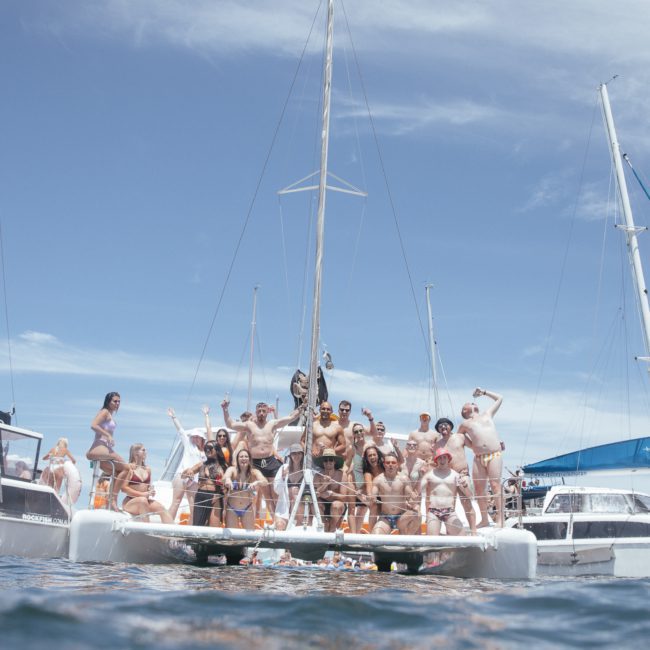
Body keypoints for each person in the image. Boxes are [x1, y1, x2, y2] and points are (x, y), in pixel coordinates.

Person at [221, 398, 301, 517]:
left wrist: (302, 406)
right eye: (259, 411)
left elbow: (290, 417)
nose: (261, 413)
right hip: (256, 462)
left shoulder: (272, 423)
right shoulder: (249, 425)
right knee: (266, 495)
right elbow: (231, 424)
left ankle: (280, 519)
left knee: (275, 493)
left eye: (264, 411)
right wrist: (225, 409)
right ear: (256, 412)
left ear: (267, 412)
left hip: (270, 461)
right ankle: (274, 519)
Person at [457, 387, 505, 527]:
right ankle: (484, 519)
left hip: (494, 454)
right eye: (468, 404)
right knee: (478, 489)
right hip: (478, 457)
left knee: (495, 485)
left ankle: (500, 518)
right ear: (464, 411)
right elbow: (459, 439)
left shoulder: (487, 414)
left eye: (472, 403)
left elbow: (500, 398)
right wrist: (474, 446)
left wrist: (484, 392)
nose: (472, 403)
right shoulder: (464, 424)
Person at [431, 417, 477, 533]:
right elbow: (434, 461)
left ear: (450, 426)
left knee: (467, 502)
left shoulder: (460, 437)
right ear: (438, 430)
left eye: (445, 425)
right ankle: (449, 532)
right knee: (449, 506)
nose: (443, 427)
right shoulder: (437, 445)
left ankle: (473, 530)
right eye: (440, 426)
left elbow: (475, 447)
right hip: (447, 477)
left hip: (462, 474)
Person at [87, 392, 128, 511]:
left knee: (118, 472)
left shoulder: (110, 415)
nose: (117, 403)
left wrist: (109, 438)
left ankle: (108, 501)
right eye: (115, 401)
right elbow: (93, 425)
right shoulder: (104, 412)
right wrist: (107, 435)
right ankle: (113, 500)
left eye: (119, 401)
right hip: (99, 447)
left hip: (105, 447)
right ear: (108, 401)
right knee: (126, 468)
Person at [167, 407, 206, 522]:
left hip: (195, 480)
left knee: (193, 506)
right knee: (176, 502)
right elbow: (181, 431)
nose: (194, 438)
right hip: (182, 476)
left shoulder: (206, 452)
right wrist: (174, 417)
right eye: (193, 437)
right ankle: (167, 527)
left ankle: (190, 530)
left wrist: (206, 416)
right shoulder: (189, 445)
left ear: (202, 438)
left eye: (197, 437)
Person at [421, 447, 472, 536]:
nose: (442, 460)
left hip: (449, 511)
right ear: (436, 460)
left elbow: (470, 496)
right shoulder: (429, 475)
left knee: (462, 537)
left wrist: (465, 485)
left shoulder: (456, 475)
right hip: (433, 511)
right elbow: (418, 490)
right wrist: (420, 475)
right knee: (431, 540)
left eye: (444, 457)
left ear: (448, 459)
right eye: (440, 458)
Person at [118, 443, 173, 524]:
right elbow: (123, 488)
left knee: (161, 508)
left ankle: (172, 534)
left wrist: (150, 490)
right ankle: (149, 530)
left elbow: (147, 487)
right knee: (143, 500)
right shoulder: (129, 468)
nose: (146, 452)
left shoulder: (148, 469)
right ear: (135, 453)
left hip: (145, 501)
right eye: (143, 450)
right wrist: (142, 494)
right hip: (130, 502)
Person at [370, 452, 420, 535]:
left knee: (417, 513)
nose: (390, 465)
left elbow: (410, 497)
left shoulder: (403, 479)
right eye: (388, 462)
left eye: (393, 463)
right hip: (386, 517)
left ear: (397, 465)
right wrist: (370, 498)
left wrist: (414, 499)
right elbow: (372, 497)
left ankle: (407, 538)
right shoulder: (378, 480)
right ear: (384, 464)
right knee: (376, 537)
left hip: (402, 517)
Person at [181, 439, 226, 527]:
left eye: (210, 448)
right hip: (201, 495)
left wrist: (218, 495)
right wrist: (188, 471)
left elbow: (225, 487)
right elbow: (183, 477)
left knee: (214, 529)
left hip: (215, 497)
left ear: (217, 449)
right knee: (197, 526)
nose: (207, 450)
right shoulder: (201, 464)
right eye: (205, 448)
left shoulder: (223, 466)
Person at [223, 448, 266, 530]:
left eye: (246, 456)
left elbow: (265, 481)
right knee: (232, 539)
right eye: (241, 456)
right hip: (232, 508)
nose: (243, 458)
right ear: (237, 459)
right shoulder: (232, 470)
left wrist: (256, 482)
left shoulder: (254, 472)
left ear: (249, 459)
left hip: (247, 508)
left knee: (250, 536)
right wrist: (228, 480)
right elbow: (225, 477)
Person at [314, 448, 351, 532]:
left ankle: (332, 527)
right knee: (315, 503)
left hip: (337, 505)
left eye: (330, 460)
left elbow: (344, 497)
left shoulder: (342, 475)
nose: (328, 462)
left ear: (334, 461)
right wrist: (325, 484)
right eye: (325, 460)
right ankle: (324, 524)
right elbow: (315, 494)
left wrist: (331, 493)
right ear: (323, 462)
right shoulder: (317, 476)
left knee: (336, 505)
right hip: (322, 505)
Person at [343, 424, 370, 533]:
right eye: (356, 432)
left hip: (365, 484)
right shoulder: (351, 448)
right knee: (352, 509)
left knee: (363, 510)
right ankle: (353, 536)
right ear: (353, 434)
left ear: (364, 431)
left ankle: (357, 535)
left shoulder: (370, 447)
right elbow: (347, 464)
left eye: (360, 430)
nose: (359, 433)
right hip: (353, 483)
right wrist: (342, 475)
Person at [274, 443, 306, 529]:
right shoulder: (283, 468)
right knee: (279, 526)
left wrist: (300, 491)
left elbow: (310, 491)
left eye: (299, 453)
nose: (296, 456)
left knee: (296, 498)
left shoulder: (306, 472)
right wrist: (283, 478)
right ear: (290, 456)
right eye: (294, 453)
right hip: (283, 509)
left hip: (300, 510)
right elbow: (277, 490)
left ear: (302, 455)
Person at [362, 445, 385, 530]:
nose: (372, 457)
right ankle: (371, 532)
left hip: (386, 497)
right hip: (376, 497)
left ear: (378, 455)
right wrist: (370, 495)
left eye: (374, 454)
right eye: (369, 455)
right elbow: (369, 488)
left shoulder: (385, 467)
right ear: (367, 459)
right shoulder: (368, 473)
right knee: (373, 506)